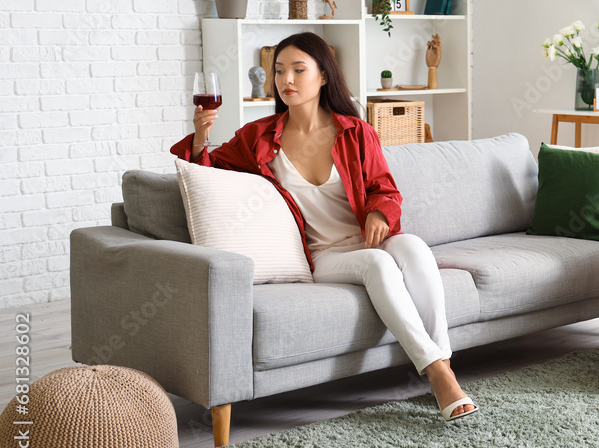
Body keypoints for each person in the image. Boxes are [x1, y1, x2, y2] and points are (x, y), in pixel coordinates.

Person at [170, 32, 477, 421]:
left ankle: (443, 360)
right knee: (378, 265)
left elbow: (385, 188)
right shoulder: (259, 137)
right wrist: (200, 136)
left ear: (324, 76)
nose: (287, 80)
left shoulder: (355, 131)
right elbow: (206, 174)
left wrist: (379, 213)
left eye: (299, 69)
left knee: (414, 246)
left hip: (368, 239)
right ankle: (437, 374)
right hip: (326, 256)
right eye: (279, 71)